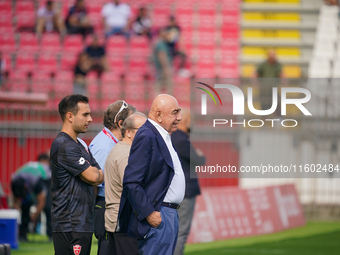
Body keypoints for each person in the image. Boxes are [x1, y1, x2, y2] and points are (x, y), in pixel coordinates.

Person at [117, 94, 185, 255]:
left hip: (167, 214)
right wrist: (149, 213)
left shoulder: (162, 135)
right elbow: (131, 182)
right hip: (158, 215)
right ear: (159, 115)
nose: (179, 117)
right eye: (175, 112)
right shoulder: (147, 135)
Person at [50, 94, 104, 255]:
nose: (91, 119)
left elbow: (98, 172)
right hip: (70, 224)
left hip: (81, 223)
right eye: (85, 114)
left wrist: (95, 174)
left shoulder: (79, 144)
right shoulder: (64, 145)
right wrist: (94, 174)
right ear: (70, 116)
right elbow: (95, 176)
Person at [89, 100, 136, 255]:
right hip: (104, 206)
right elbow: (93, 182)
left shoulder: (110, 142)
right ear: (121, 123)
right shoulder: (104, 147)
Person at [104, 112, 147, 255]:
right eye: (142, 130)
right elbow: (132, 188)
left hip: (118, 221)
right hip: (125, 223)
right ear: (128, 132)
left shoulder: (122, 149)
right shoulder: (127, 154)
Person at [172, 109, 206, 255]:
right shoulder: (181, 139)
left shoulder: (173, 137)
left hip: (176, 191)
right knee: (181, 232)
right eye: (191, 119)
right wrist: (200, 155)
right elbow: (198, 160)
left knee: (175, 232)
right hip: (185, 192)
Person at [11, 155, 51, 241]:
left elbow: (42, 202)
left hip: (46, 179)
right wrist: (15, 211)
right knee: (25, 206)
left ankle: (51, 235)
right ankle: (22, 235)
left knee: (48, 207)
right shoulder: (15, 180)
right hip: (30, 181)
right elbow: (16, 200)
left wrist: (34, 216)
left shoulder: (38, 182)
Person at [256, 49, 283, 114]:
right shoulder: (263, 65)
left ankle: (279, 118)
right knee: (264, 104)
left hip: (274, 88)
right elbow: (255, 74)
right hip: (264, 89)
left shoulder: (278, 65)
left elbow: (281, 74)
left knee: (277, 103)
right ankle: (264, 119)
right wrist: (257, 84)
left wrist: (283, 82)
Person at [153, 28, 173, 94]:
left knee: (160, 86)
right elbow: (162, 56)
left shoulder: (161, 43)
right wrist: (166, 68)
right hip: (162, 69)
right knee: (163, 87)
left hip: (161, 69)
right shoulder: (161, 44)